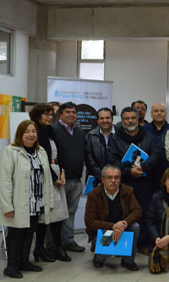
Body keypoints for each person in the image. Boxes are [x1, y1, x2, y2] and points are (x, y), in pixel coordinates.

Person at [0, 120, 54, 278]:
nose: (31, 134)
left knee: (29, 232)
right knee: (16, 233)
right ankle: (11, 266)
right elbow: (4, 181)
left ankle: (24, 262)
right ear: (20, 134)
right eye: (27, 131)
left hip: (36, 202)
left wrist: (50, 201)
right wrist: (7, 206)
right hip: (18, 202)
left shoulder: (41, 151)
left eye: (33, 131)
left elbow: (47, 179)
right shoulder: (10, 151)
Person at [109, 107, 158, 249]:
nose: (130, 121)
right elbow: (112, 160)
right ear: (122, 120)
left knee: (144, 213)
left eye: (133, 118)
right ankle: (122, 246)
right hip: (124, 183)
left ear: (138, 119)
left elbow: (155, 155)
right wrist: (129, 171)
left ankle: (142, 244)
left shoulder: (147, 135)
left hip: (145, 182)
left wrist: (143, 167)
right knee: (123, 214)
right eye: (127, 118)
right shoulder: (115, 138)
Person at [29, 103, 71, 263]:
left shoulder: (50, 131)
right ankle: (40, 248)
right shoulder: (36, 132)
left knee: (58, 214)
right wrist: (54, 178)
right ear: (37, 116)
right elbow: (41, 159)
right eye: (46, 114)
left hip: (56, 171)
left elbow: (58, 154)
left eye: (51, 114)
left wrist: (62, 172)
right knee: (45, 215)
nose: (49, 117)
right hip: (44, 176)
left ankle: (57, 247)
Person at [84, 165, 142, 271]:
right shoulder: (94, 195)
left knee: (135, 227)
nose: (113, 181)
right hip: (104, 231)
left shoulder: (127, 191)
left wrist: (124, 223)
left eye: (117, 177)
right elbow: (89, 221)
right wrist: (113, 226)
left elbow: (137, 211)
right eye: (110, 177)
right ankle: (99, 257)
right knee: (106, 253)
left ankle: (128, 261)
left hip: (122, 229)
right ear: (103, 180)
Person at [51, 101, 86, 253]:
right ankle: (52, 245)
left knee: (71, 212)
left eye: (74, 112)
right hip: (59, 180)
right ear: (60, 114)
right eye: (68, 112)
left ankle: (68, 241)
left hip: (76, 179)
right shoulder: (53, 130)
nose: (72, 115)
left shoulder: (80, 131)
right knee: (56, 213)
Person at [144, 102, 169, 190]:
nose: (159, 113)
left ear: (166, 114)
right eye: (156, 111)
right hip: (148, 171)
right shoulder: (144, 129)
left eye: (162, 111)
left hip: (167, 170)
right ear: (151, 113)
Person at [85, 107, 115, 185]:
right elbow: (89, 159)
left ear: (112, 119)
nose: (105, 121)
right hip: (96, 179)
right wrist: (102, 176)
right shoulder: (90, 136)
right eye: (102, 118)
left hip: (116, 178)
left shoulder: (120, 134)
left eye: (107, 118)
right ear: (97, 121)